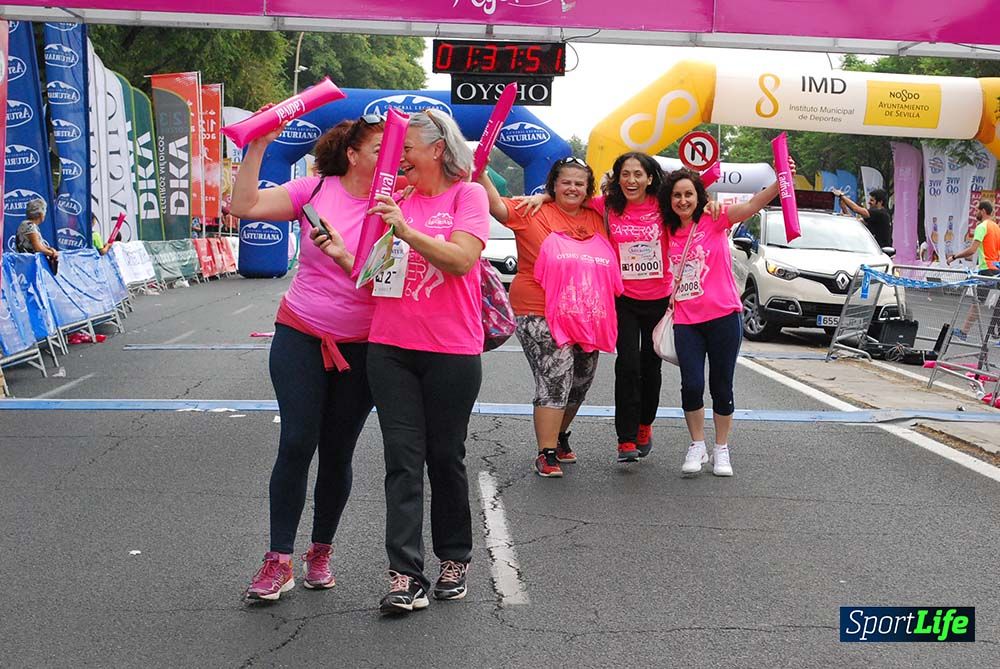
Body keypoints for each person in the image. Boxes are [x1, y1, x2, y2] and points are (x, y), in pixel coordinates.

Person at [318, 110, 489, 615]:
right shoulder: (398, 200)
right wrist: (343, 255)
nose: (398, 159)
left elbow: (461, 260)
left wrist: (407, 231)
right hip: (391, 348)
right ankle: (404, 576)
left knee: (445, 458)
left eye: (406, 147)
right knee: (402, 462)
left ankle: (454, 558)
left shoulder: (467, 195)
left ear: (437, 149)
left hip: (452, 351)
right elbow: (377, 280)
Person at [231, 113, 386, 601]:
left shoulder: (399, 202)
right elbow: (245, 205)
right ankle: (278, 559)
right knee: (297, 441)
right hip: (301, 330)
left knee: (338, 451)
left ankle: (320, 551)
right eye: (383, 145)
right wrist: (257, 147)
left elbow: (390, 277)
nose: (394, 154)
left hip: (363, 344)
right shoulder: (315, 190)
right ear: (354, 153)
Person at [658, 163, 793, 478]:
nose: (682, 201)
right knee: (691, 385)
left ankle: (721, 448)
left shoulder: (715, 218)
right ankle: (697, 445)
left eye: (688, 194)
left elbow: (753, 205)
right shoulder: (665, 230)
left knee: (722, 385)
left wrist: (781, 181)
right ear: (669, 199)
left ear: (698, 196)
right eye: (676, 195)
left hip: (724, 317)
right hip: (686, 321)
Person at [478, 156, 607, 478]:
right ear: (553, 184)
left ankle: (559, 435)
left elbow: (625, 201)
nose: (572, 188)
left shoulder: (597, 216)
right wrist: (478, 169)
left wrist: (555, 195)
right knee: (556, 377)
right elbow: (495, 204)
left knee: (581, 382)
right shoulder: (530, 211)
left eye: (579, 183)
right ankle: (545, 452)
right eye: (565, 182)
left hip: (585, 313)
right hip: (537, 308)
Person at [946, 200, 1000, 337]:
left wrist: (955, 256)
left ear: (982, 211)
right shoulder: (996, 228)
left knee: (977, 302)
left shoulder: (982, 227)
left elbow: (972, 250)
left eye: (977, 210)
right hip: (996, 269)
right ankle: (992, 332)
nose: (975, 213)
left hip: (986, 269)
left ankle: (964, 332)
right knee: (989, 303)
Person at [15, 199, 59, 265]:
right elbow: (38, 248)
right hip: (27, 265)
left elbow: (41, 245)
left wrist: (51, 249)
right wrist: (52, 254)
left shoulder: (30, 225)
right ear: (40, 214)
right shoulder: (29, 226)